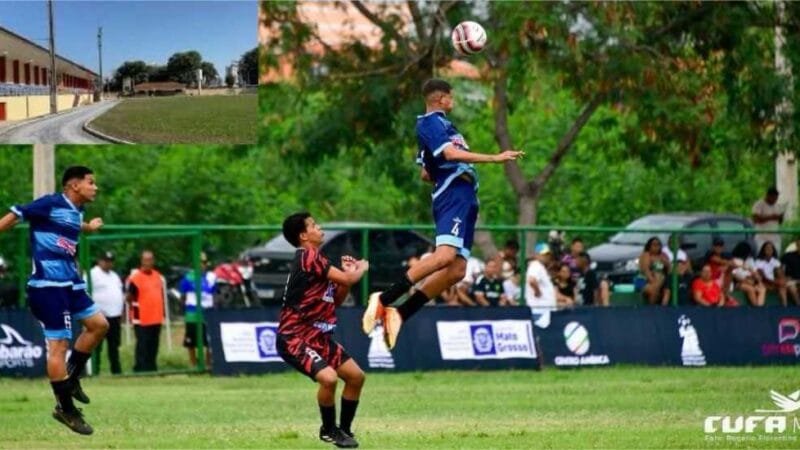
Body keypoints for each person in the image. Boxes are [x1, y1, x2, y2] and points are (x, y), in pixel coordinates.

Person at [361, 78, 523, 349]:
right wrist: (495, 158)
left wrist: (441, 168)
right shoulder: (430, 122)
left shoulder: (444, 126)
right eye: (451, 96)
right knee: (445, 255)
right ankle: (384, 299)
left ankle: (399, 314)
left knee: (457, 270)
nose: (453, 100)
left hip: (466, 196)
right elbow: (448, 154)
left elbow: (426, 171)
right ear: (441, 99)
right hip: (453, 193)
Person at [0, 166, 107, 435]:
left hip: (70, 283)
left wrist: (89, 227)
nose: (95, 187)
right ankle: (65, 408)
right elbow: (16, 215)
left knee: (99, 325)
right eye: (91, 182)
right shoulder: (49, 203)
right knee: (58, 345)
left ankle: (71, 377)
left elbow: (71, 225)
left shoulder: (75, 210)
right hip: (48, 286)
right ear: (74, 185)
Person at [278, 212, 369, 448]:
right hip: (295, 336)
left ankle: (344, 431)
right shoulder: (307, 256)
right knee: (328, 379)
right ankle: (329, 430)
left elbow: (336, 299)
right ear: (303, 235)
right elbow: (350, 279)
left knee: (356, 377)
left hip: (318, 337)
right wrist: (359, 268)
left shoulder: (317, 260)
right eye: (314, 225)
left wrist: (343, 279)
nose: (320, 228)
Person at [126, 250, 165, 373]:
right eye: (146, 260)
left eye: (151, 259)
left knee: (154, 344)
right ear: (142, 261)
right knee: (142, 344)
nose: (149, 262)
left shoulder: (157, 275)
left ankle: (152, 367)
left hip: (156, 317)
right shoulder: (135, 277)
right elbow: (129, 296)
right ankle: (140, 368)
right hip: (141, 317)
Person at [88, 251, 124, 374]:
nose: (108, 263)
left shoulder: (114, 275)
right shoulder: (92, 274)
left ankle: (116, 370)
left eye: (110, 261)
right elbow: (84, 293)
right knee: (97, 345)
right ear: (99, 261)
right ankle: (95, 370)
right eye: (106, 260)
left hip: (114, 316)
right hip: (99, 316)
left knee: (114, 346)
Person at [179, 252, 216, 368]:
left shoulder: (211, 277)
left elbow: (215, 294)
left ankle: (208, 363)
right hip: (192, 314)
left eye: (204, 263)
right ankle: (193, 363)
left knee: (209, 340)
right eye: (199, 263)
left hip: (207, 314)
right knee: (191, 341)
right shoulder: (188, 278)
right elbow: (182, 296)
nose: (202, 265)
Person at [752, 187, 786, 255]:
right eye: (773, 198)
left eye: (776, 198)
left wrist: (780, 217)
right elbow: (756, 219)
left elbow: (780, 222)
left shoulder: (778, 206)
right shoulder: (759, 204)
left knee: (776, 255)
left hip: (774, 237)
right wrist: (771, 217)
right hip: (762, 237)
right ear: (768, 195)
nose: (775, 200)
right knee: (761, 255)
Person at [638, 237, 671, 306]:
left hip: (661, 281)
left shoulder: (663, 256)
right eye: (654, 245)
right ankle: (652, 310)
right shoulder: (646, 255)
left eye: (658, 245)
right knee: (653, 289)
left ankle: (662, 309)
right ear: (649, 246)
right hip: (646, 281)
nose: (656, 247)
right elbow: (645, 270)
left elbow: (669, 269)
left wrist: (665, 262)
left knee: (666, 290)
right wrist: (654, 282)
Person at [525, 243, 557, 313]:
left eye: (548, 254)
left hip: (543, 309)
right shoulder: (536, 265)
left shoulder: (540, 266)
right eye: (544, 254)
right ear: (536, 255)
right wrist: (538, 292)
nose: (547, 256)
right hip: (539, 309)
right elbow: (532, 280)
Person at [755, 241, 788, 306]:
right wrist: (775, 282)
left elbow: (780, 275)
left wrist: (779, 281)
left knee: (782, 287)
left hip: (774, 282)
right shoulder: (758, 261)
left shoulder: (776, 261)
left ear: (773, 250)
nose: (769, 250)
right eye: (767, 248)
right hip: (764, 282)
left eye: (771, 248)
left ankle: (785, 307)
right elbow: (762, 277)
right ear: (763, 250)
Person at [780, 237, 800, 306]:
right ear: (797, 244)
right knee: (792, 288)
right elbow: (781, 269)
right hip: (791, 280)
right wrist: (784, 277)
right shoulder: (788, 256)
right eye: (799, 243)